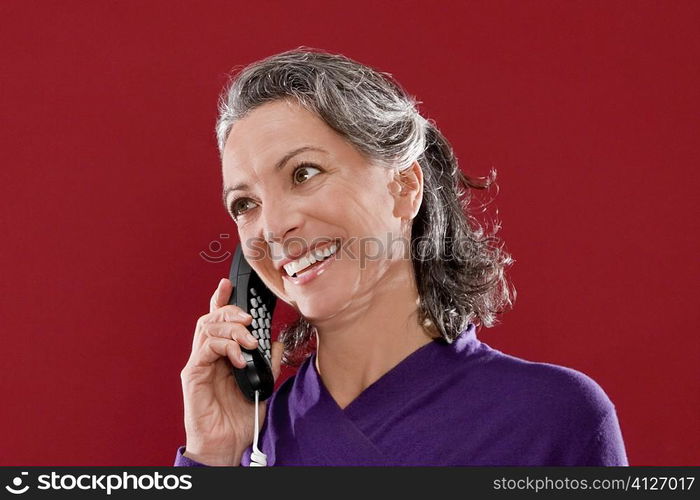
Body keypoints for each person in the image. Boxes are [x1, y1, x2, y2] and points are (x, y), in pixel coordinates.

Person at [175, 47, 628, 466]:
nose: (272, 227)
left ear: (404, 187)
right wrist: (211, 460)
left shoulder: (552, 418)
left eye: (304, 173)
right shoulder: (252, 440)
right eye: (245, 204)